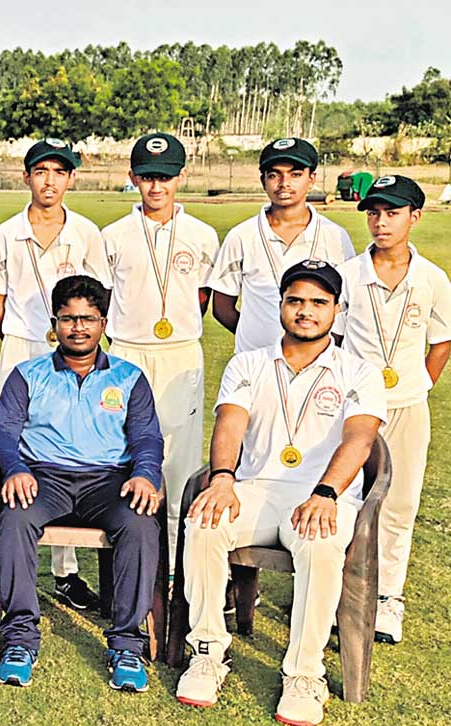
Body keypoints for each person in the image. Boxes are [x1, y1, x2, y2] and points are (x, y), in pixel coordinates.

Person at [177, 260, 385, 726]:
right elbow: (230, 422)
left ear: (337, 309)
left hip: (322, 496)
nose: (305, 312)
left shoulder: (358, 371)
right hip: (256, 488)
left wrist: (327, 492)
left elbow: (360, 439)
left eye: (318, 303)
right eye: (295, 301)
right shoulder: (249, 362)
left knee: (319, 540)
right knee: (204, 523)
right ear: (281, 305)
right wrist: (223, 477)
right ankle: (208, 653)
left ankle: (304, 673)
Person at [0, 274, 164, 692]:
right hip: (43, 476)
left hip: (108, 480)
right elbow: (2, 431)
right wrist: (14, 468)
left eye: (88, 318)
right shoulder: (27, 374)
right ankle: (19, 637)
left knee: (140, 523)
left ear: (103, 322)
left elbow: (146, 437)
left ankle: (126, 643)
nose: (78, 328)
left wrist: (144, 474)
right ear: (55, 323)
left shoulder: (128, 377)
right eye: (69, 319)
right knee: (15, 518)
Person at [0, 136, 110, 610]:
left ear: (71, 178)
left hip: (75, 349)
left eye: (59, 172)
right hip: (23, 347)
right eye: (41, 171)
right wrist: (25, 342)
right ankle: (11, 559)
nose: (49, 181)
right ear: (27, 177)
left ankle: (66, 571)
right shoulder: (6, 233)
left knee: (70, 449)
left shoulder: (88, 233)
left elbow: (98, 297)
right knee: (18, 448)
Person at [334, 175, 450, 644]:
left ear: (415, 217)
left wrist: (419, 385)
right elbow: (334, 340)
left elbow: (440, 342)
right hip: (355, 408)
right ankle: (336, 589)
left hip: (406, 407)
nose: (381, 223)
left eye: (393, 213)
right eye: (374, 213)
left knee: (399, 504)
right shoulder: (346, 274)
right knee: (343, 498)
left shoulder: (433, 279)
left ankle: (388, 599)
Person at [101, 132, 218, 578]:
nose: (157, 187)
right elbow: (105, 297)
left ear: (181, 178)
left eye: (166, 177)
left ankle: (174, 568)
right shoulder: (113, 236)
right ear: (133, 178)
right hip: (127, 351)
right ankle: (131, 560)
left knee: (180, 460)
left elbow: (203, 296)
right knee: (125, 454)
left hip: (180, 352)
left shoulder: (202, 236)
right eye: (148, 177)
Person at [206, 137, 355, 353]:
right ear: (263, 180)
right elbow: (222, 308)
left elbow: (345, 305)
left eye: (295, 174)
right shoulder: (242, 235)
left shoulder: (335, 236)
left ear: (312, 178)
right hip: (256, 361)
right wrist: (254, 337)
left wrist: (314, 342)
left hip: (316, 362)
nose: (284, 183)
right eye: (274, 175)